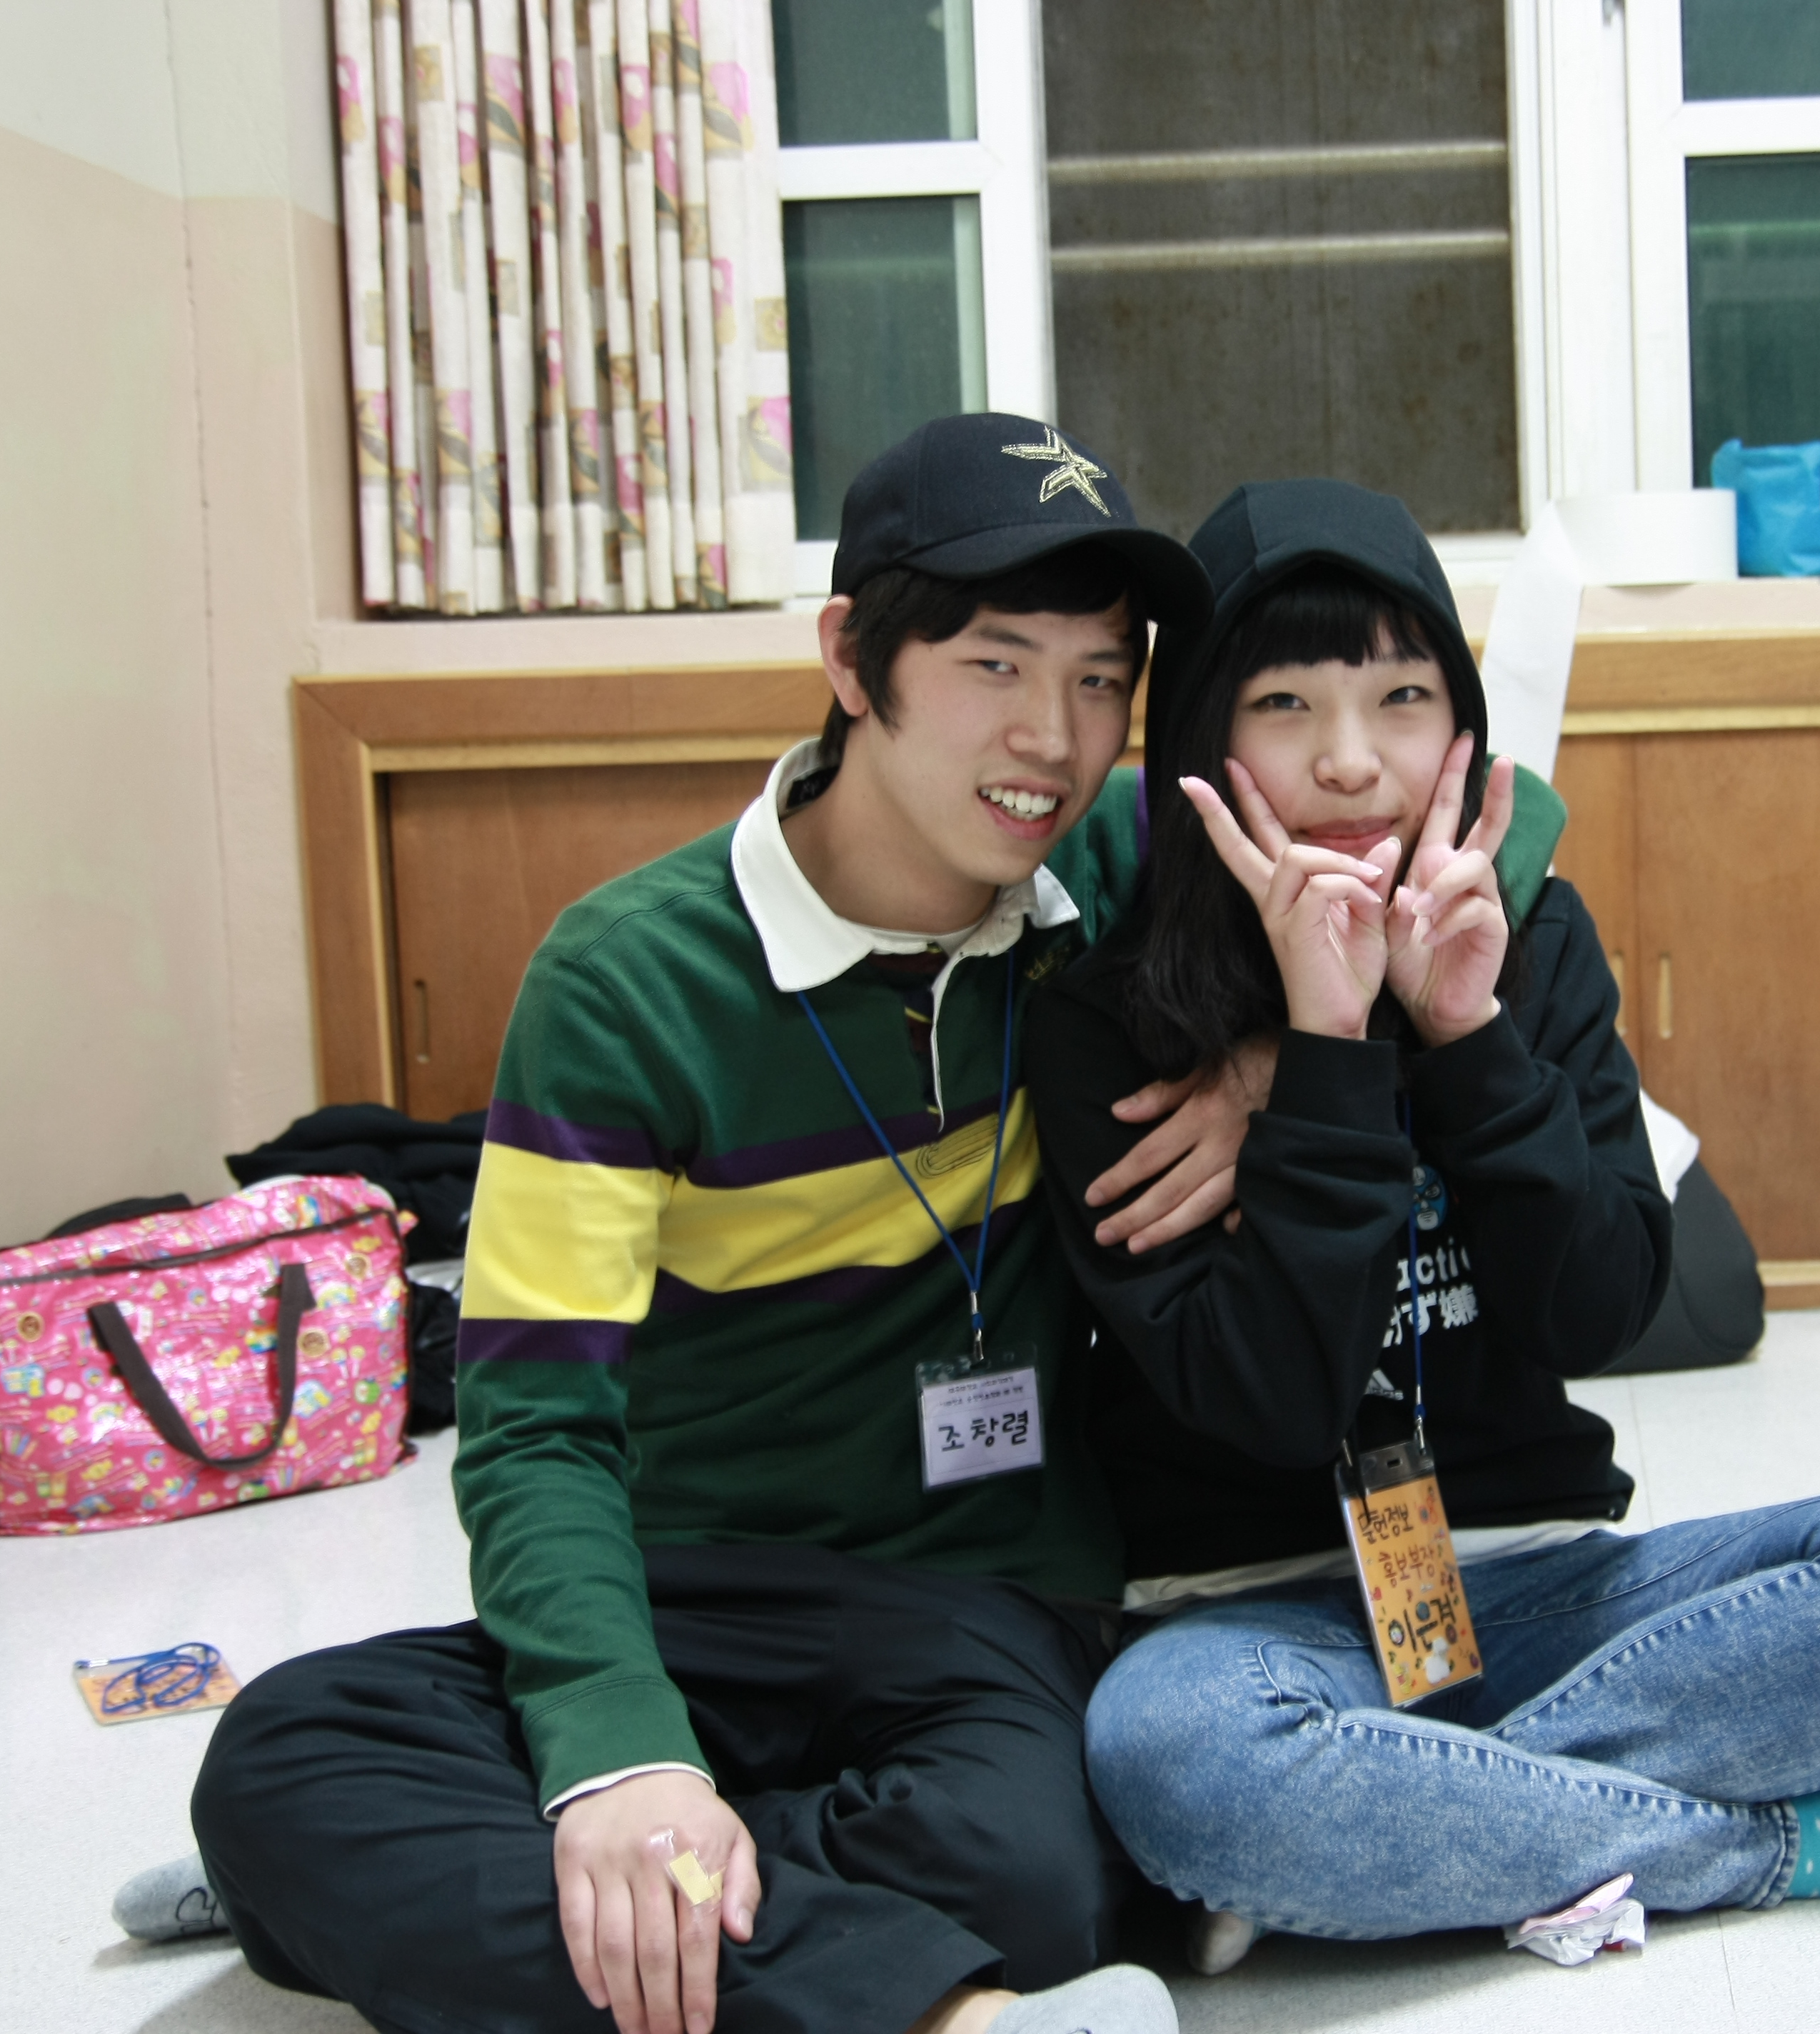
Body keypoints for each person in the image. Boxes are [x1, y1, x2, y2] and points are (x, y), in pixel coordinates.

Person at [131, 416, 1236, 2034]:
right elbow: (535, 1424)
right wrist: (621, 1745)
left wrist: (1268, 1059)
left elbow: (1499, 815)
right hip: (690, 1595)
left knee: (1023, 1875)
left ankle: (501, 1886)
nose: (1053, 741)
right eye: (995, 666)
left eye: (1098, 680)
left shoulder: (1113, 874)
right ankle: (940, 2014)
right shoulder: (629, 981)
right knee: (281, 1758)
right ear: (851, 658)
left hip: (983, 1603)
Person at [1025, 479, 1820, 1971]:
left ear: (1462, 724)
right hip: (1249, 1623)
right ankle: (1772, 1847)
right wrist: (1321, 1048)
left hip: (1545, 1579)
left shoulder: (1530, 942)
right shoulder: (1107, 1026)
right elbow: (1273, 1402)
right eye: (1285, 702)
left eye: (1403, 697)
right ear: (1201, 733)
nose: (1351, 759)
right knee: (1174, 1755)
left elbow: (1600, 1310)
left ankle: (1405, 1832)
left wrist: (1464, 1037)